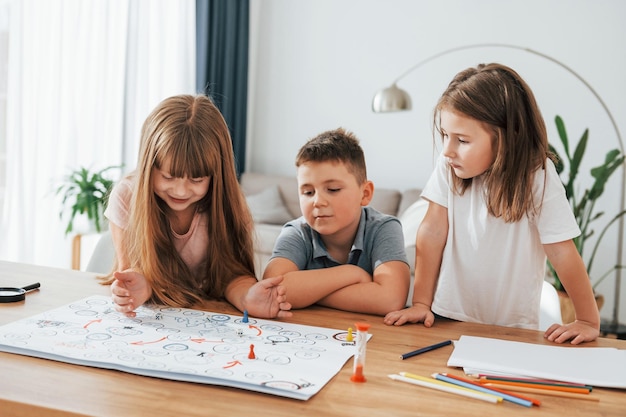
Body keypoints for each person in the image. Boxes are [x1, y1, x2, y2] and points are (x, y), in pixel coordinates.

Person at [383, 63, 600, 344]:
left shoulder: (538, 176)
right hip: (448, 315)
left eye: (461, 140)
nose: (447, 150)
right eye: (445, 135)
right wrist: (421, 303)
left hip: (512, 328)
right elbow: (432, 232)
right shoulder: (448, 166)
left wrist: (586, 320)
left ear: (505, 139)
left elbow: (561, 251)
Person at [101, 94, 292, 319]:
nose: (181, 191)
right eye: (168, 176)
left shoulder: (227, 205)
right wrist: (138, 287)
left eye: (197, 179)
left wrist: (247, 297)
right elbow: (131, 270)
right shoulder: (127, 197)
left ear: (215, 175)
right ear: (148, 165)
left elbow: (231, 277)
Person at [262, 128, 410, 316]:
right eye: (308, 192)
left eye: (332, 189)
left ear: (365, 194)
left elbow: (391, 299)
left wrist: (308, 293)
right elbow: (271, 290)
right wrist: (351, 274)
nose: (317, 201)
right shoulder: (296, 231)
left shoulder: (384, 228)